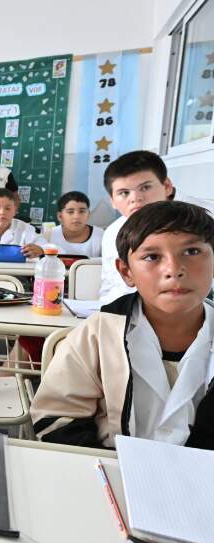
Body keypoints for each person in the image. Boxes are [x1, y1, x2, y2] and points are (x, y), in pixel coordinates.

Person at [31, 201, 214, 450]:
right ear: (126, 272)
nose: (174, 270)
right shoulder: (96, 334)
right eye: (152, 257)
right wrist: (107, 464)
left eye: (191, 251)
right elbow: (55, 417)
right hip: (110, 465)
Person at [99, 151, 175, 305]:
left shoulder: (204, 219)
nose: (135, 199)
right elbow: (110, 287)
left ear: (167, 186)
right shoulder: (113, 233)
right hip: (127, 312)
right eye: (124, 193)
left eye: (145, 187)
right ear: (112, 201)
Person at [47, 191, 104, 257]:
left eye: (82, 211)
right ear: (60, 216)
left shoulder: (102, 236)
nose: (76, 216)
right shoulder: (49, 236)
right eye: (70, 212)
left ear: (88, 214)